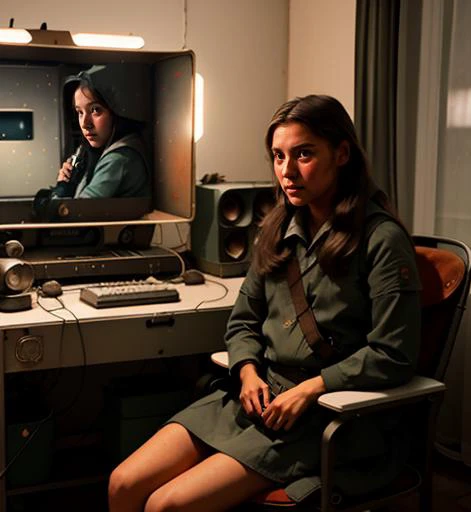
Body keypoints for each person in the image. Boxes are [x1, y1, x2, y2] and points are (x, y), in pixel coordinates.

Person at [108, 94, 421, 512]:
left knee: (166, 506)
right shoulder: (276, 228)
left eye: (304, 154)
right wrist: (247, 371)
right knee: (122, 484)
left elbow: (394, 354)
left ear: (342, 153)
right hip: (260, 398)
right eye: (278, 156)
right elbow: (242, 322)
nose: (287, 171)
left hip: (327, 415)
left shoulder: (382, 240)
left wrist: (314, 387)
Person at [53, 70, 150, 199]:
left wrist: (61, 188)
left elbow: (77, 214)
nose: (85, 124)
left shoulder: (119, 159)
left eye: (95, 110)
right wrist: (74, 179)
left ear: (115, 112)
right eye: (80, 112)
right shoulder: (99, 150)